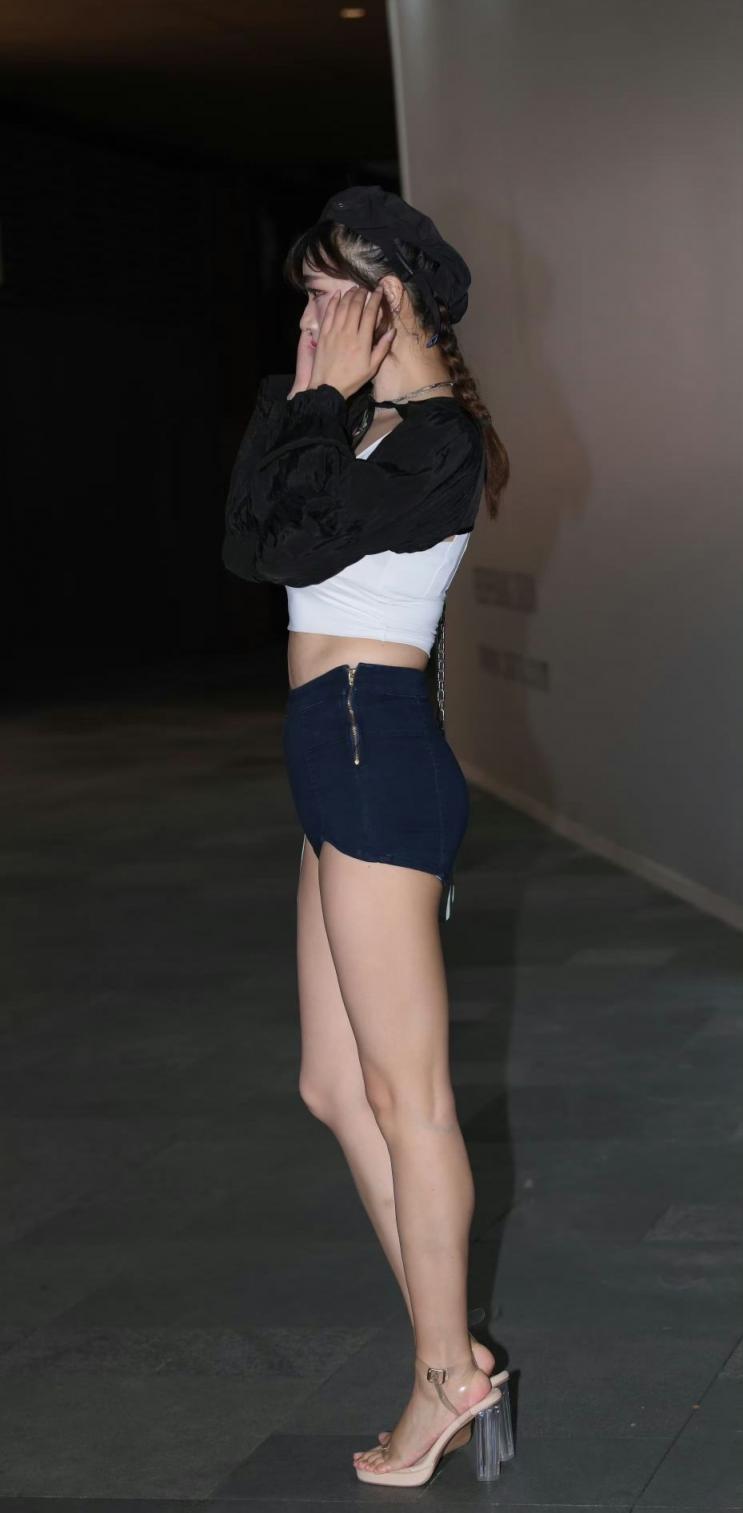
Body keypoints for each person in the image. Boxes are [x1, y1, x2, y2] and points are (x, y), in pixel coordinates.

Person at [222, 186, 513, 1488]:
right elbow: (251, 544)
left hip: (372, 747)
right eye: (307, 295)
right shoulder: (351, 421)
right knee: (336, 1088)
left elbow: (299, 535)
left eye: (336, 294)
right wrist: (307, 399)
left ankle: (443, 1373)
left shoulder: (437, 439)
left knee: (407, 1096)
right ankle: (454, 1352)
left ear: (397, 298)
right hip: (331, 751)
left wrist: (314, 406)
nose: (313, 318)